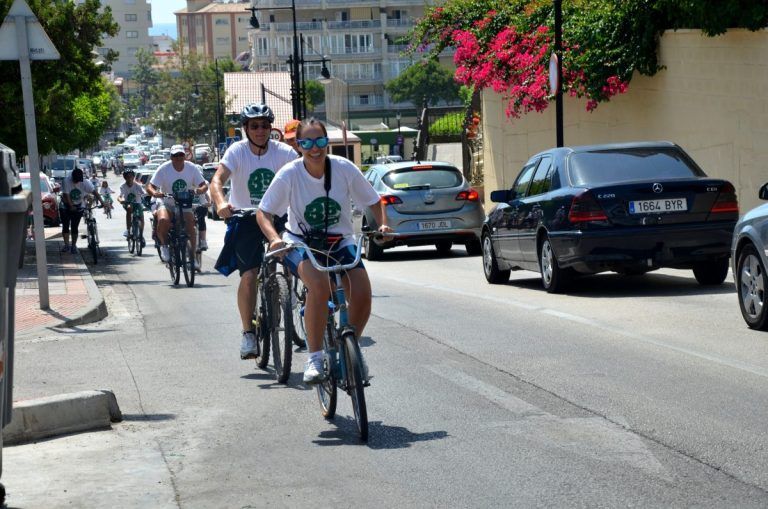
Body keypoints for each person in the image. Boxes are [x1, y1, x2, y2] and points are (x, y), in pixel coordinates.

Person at [256, 118, 392, 384]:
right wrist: (274, 239)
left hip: (340, 241)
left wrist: (384, 224)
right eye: (306, 142)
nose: (314, 148)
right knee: (318, 287)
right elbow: (264, 212)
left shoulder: (344, 168)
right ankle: (315, 358)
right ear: (298, 145)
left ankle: (350, 349)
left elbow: (374, 201)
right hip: (301, 242)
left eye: (319, 141)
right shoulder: (289, 173)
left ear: (326, 142)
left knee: (362, 293)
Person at [211, 103, 298, 360]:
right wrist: (220, 203)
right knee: (249, 275)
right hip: (246, 217)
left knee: (296, 257)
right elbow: (217, 181)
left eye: (264, 125)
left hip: (278, 216)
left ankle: (290, 291)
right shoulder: (237, 151)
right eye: (254, 126)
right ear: (246, 129)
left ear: (271, 128)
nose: (260, 131)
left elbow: (303, 175)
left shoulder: (284, 152)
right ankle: (248, 333)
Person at [147, 144, 208, 264]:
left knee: (190, 225)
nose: (178, 158)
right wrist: (155, 193)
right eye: (175, 155)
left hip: (184, 203)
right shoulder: (164, 168)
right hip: (167, 202)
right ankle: (164, 245)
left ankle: (193, 256)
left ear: (184, 156)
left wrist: (200, 190)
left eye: (181, 155)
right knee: (163, 220)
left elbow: (203, 184)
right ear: (171, 157)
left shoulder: (192, 168)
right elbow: (150, 186)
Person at [59, 167, 104, 254]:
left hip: (79, 205)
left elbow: (94, 192)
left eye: (79, 180)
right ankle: (66, 245)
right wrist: (71, 206)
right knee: (65, 225)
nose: (77, 182)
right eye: (75, 180)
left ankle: (73, 245)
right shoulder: (66, 181)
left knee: (74, 226)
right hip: (65, 205)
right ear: (72, 177)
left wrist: (102, 202)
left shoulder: (85, 182)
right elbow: (66, 195)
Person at [118, 168, 146, 244]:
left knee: (141, 217)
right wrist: (121, 200)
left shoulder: (138, 185)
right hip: (127, 203)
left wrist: (144, 195)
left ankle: (141, 235)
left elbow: (144, 193)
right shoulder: (123, 186)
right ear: (125, 177)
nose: (129, 178)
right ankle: (128, 229)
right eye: (127, 176)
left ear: (133, 177)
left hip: (137, 203)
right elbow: (120, 196)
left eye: (131, 176)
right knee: (129, 208)